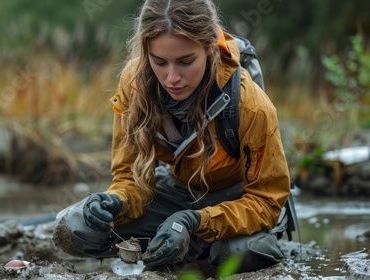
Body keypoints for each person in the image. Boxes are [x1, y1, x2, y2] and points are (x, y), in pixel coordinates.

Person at [52, 0, 291, 273]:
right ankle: (183, 247)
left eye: (186, 61)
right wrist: (114, 202)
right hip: (177, 191)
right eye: (159, 62)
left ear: (210, 48)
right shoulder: (134, 86)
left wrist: (192, 221)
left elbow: (266, 203)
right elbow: (129, 178)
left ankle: (198, 247)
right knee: (75, 226)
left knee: (237, 254)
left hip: (236, 201)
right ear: (146, 53)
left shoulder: (252, 107)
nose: (172, 78)